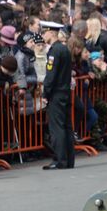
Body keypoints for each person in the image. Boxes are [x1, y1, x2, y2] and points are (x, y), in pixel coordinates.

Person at [41, 23, 75, 169]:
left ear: (50, 33)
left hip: (56, 93)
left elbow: (51, 75)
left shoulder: (54, 51)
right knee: (66, 126)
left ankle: (60, 160)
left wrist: (45, 93)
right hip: (65, 91)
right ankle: (69, 160)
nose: (42, 36)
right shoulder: (64, 49)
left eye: (44, 33)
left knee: (57, 128)